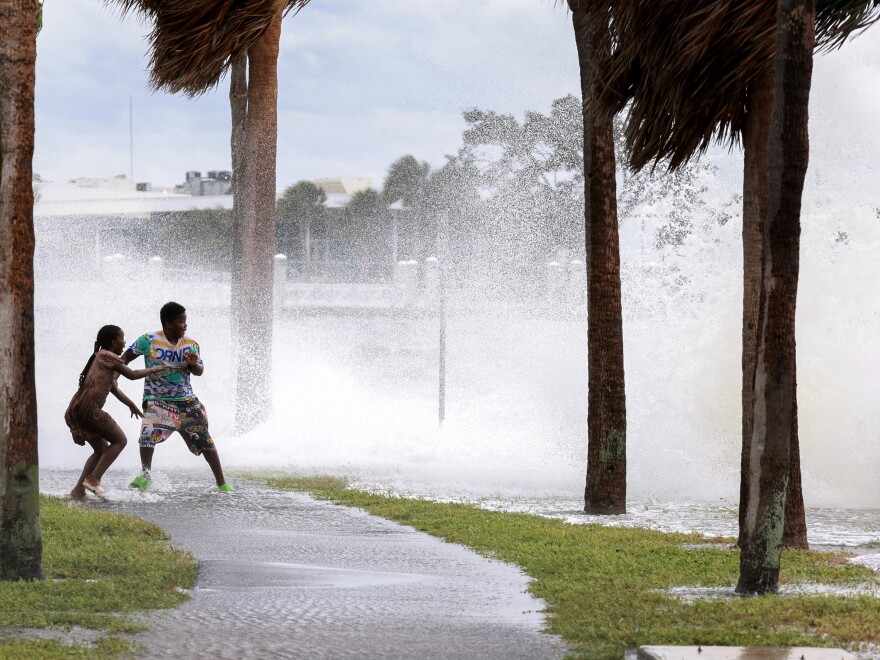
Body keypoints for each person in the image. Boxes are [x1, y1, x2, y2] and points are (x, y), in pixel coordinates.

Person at [122, 301, 234, 492]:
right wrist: (113, 376)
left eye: (185, 321)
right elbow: (124, 359)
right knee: (147, 433)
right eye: (181, 321)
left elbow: (199, 372)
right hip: (157, 399)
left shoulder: (191, 345)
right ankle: (145, 475)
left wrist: (193, 364)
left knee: (206, 441)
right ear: (168, 323)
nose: (185, 325)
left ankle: (221, 483)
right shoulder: (148, 340)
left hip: (186, 402)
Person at [65, 325, 168, 499]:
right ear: (114, 342)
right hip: (90, 410)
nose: (125, 342)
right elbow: (133, 374)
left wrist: (131, 405)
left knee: (101, 449)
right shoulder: (107, 355)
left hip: (77, 409)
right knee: (120, 440)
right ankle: (93, 479)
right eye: (122, 338)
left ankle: (78, 491)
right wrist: (154, 369)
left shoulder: (102, 360)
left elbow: (114, 389)